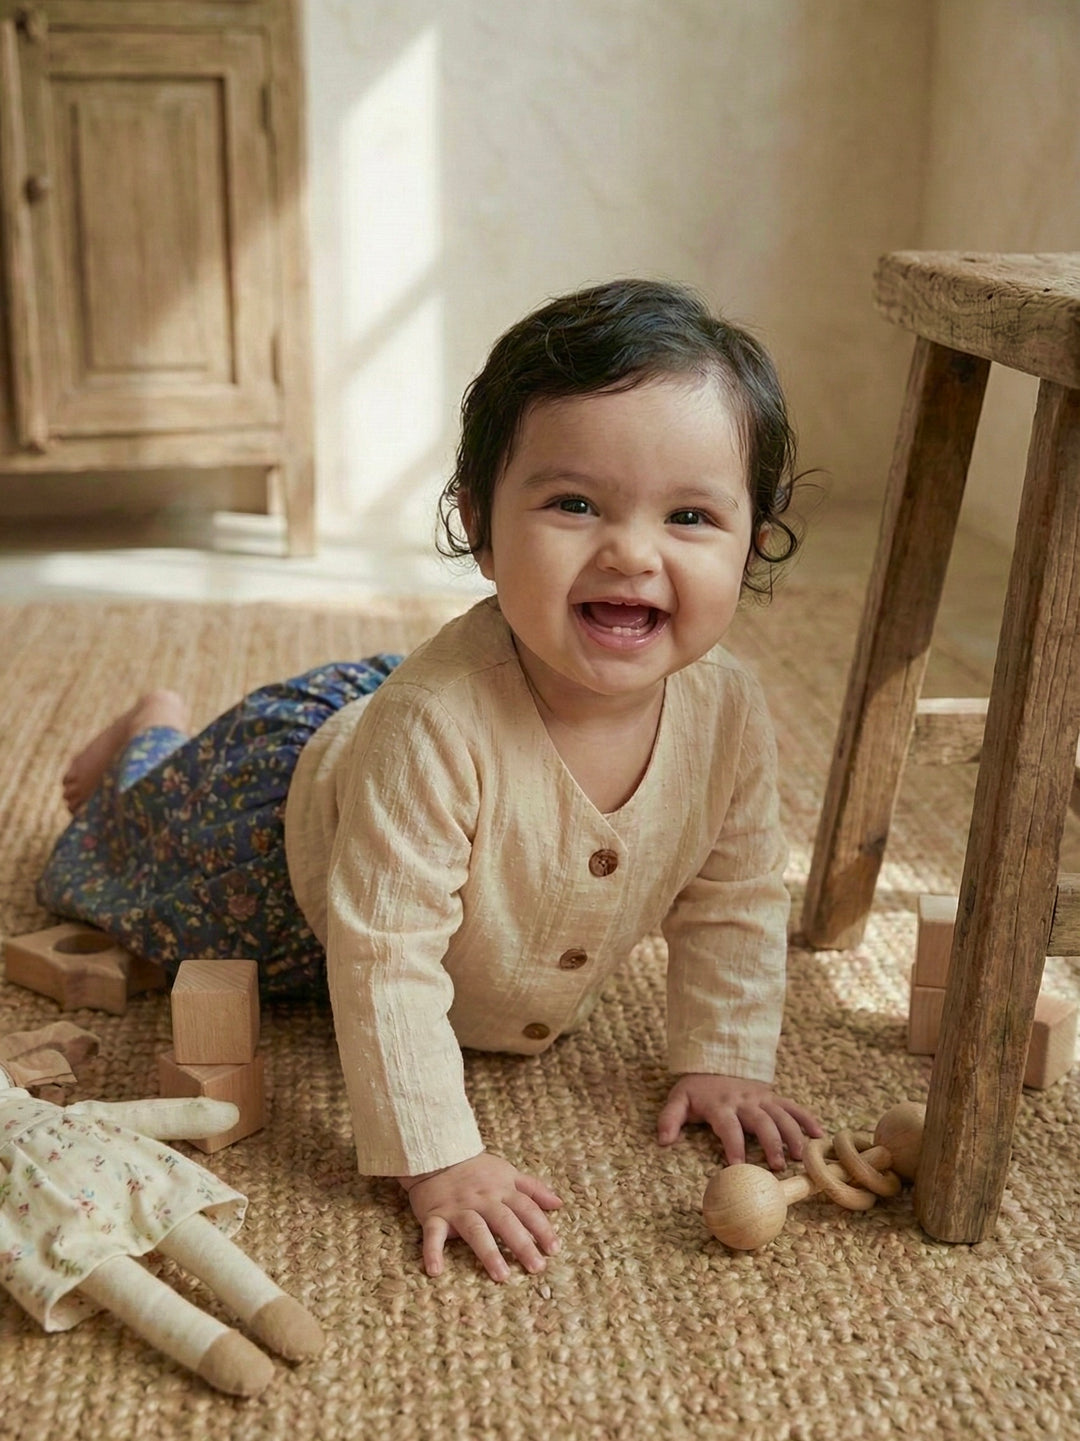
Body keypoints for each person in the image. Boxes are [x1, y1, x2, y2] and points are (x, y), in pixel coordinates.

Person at [38, 278, 823, 1284]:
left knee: (437, 729)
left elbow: (735, 895)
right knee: (118, 873)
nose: (632, 551)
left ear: (754, 538)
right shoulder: (429, 727)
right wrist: (438, 1156)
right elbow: (384, 957)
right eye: (574, 503)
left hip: (418, 738)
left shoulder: (731, 713)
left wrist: (721, 1051)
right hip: (276, 829)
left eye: (691, 516)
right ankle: (151, 735)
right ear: (480, 524)